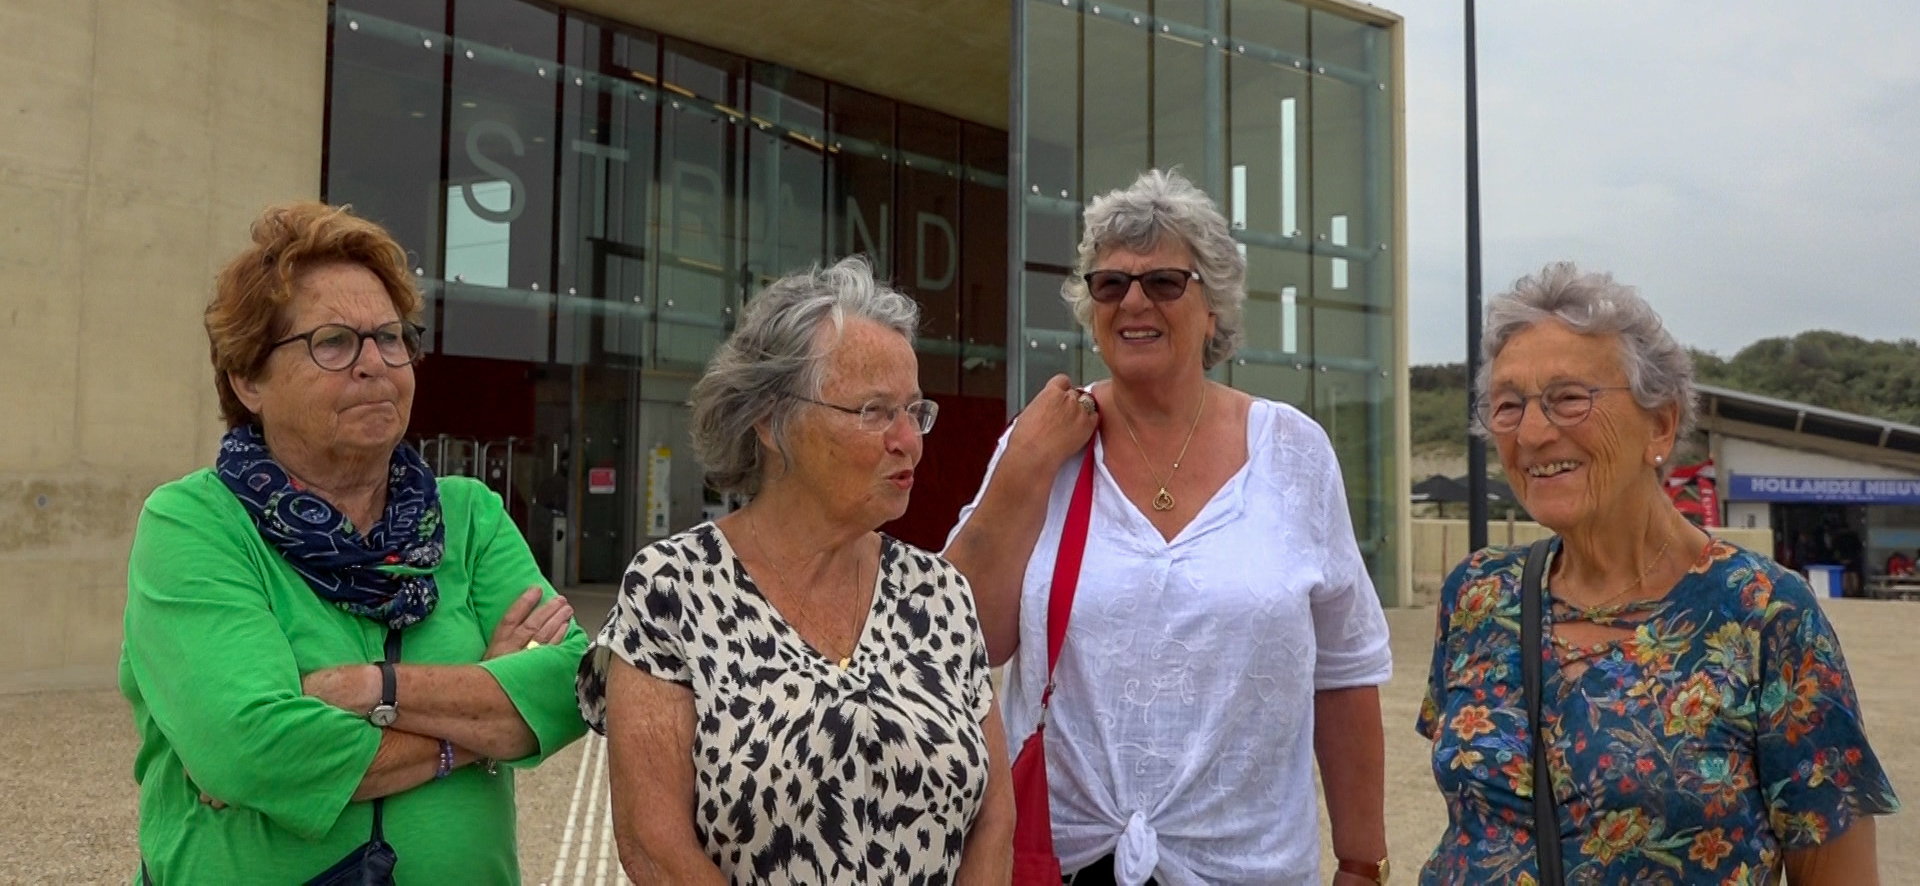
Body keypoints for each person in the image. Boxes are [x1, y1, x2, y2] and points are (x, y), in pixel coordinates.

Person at [944, 169, 1393, 886]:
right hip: (1059, 857)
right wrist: (1023, 469)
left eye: (1164, 283)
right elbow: (963, 640)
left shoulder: (1293, 453)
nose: (1134, 302)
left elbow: (1344, 672)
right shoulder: (1042, 444)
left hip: (1249, 865)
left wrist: (1362, 861)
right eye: (1110, 285)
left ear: (1213, 306)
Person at [121, 202, 589, 883]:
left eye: (391, 338)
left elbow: (570, 686)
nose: (376, 364)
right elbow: (253, 750)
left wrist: (369, 687)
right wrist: (476, 723)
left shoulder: (470, 517)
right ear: (249, 379)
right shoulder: (195, 523)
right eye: (334, 342)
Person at [1418, 263, 1899, 885]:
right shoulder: (1478, 594)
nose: (1533, 433)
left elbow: (1837, 874)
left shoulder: (1764, 614)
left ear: (1662, 424)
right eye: (1508, 406)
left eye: (1569, 397)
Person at [576, 257, 1013, 884]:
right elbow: (654, 846)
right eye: (873, 411)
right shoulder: (674, 590)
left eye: (915, 411)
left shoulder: (940, 595)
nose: (908, 440)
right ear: (771, 421)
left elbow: (995, 822)